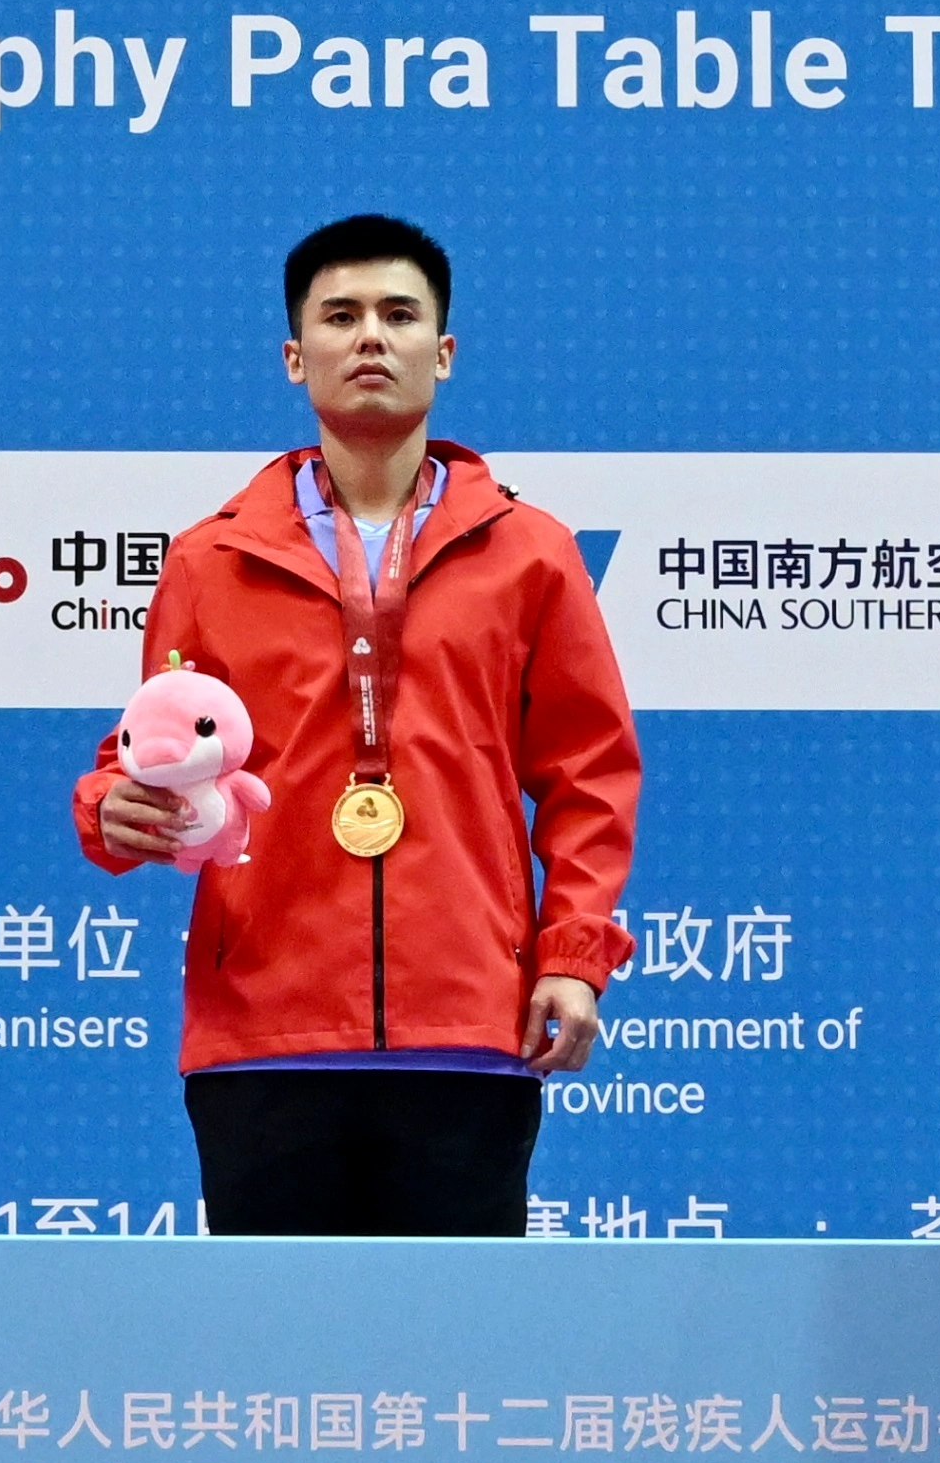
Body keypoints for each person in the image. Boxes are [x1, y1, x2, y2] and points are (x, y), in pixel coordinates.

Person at [73, 214, 637, 1235]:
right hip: (264, 1031)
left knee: (456, 1366)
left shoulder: (532, 555)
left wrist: (571, 955)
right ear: (297, 356)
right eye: (340, 315)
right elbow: (150, 746)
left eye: (397, 313)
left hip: (467, 1023)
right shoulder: (212, 560)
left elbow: (590, 773)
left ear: (443, 351)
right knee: (278, 1373)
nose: (370, 336)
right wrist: (110, 806)